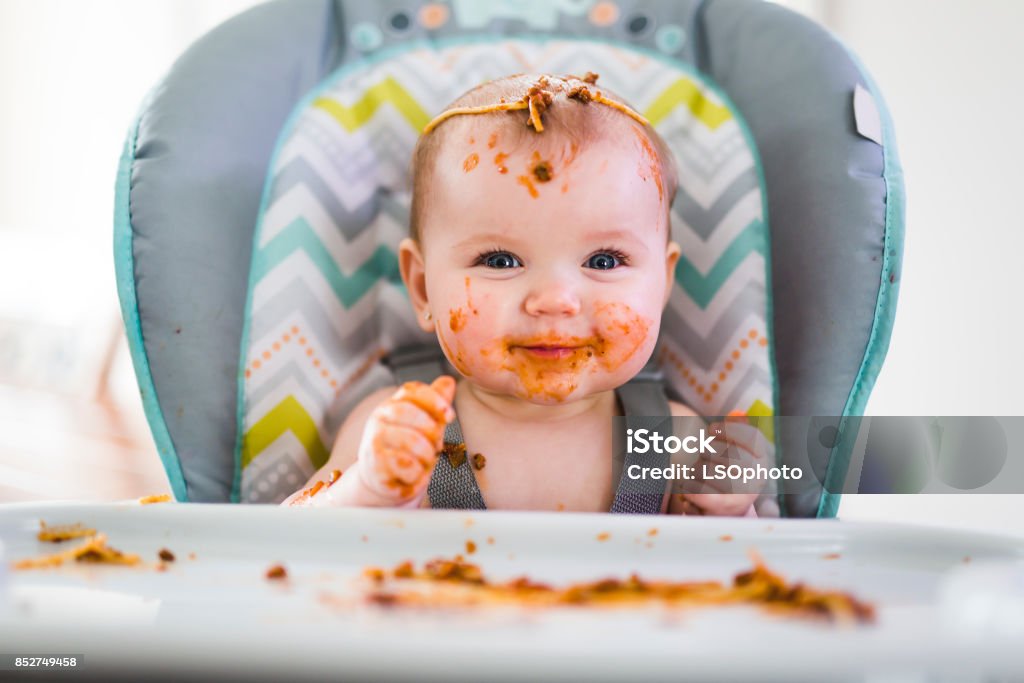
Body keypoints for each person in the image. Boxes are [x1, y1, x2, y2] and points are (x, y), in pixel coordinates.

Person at [282, 73, 769, 515]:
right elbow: (285, 544)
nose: (556, 300)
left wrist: (723, 510)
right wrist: (368, 490)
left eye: (603, 261)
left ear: (662, 283)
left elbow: (742, 581)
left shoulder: (673, 439)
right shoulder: (400, 431)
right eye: (500, 261)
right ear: (421, 287)